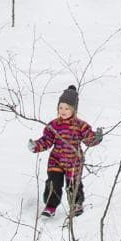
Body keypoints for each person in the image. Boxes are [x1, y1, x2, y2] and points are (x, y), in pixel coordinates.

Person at [31, 84, 103, 219]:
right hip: (56, 161)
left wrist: (97, 138)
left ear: (74, 109)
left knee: (73, 184)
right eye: (60, 107)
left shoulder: (80, 125)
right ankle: (50, 206)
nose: (63, 111)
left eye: (67, 108)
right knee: (53, 183)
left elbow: (89, 139)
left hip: (73, 162)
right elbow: (47, 140)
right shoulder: (53, 125)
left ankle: (76, 205)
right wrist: (36, 146)